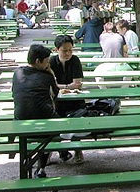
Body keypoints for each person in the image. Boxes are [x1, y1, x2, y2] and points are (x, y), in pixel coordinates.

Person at [12, 44, 59, 178]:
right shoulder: (46, 75)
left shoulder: (17, 73)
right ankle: (41, 168)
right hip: (44, 120)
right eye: (46, 62)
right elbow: (56, 94)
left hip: (20, 119)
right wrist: (51, 74)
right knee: (56, 125)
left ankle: (32, 164)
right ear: (38, 61)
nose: (48, 64)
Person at [49, 35, 85, 164]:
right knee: (52, 120)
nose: (68, 53)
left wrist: (60, 87)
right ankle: (50, 150)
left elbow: (77, 83)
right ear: (56, 50)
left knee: (77, 118)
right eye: (64, 50)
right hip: (57, 102)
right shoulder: (51, 62)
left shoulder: (75, 60)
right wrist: (67, 86)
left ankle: (77, 149)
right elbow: (50, 85)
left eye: (70, 50)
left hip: (75, 100)